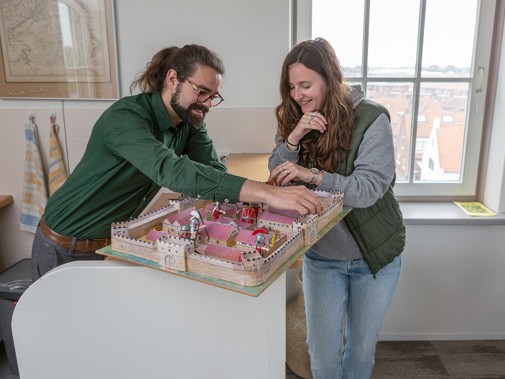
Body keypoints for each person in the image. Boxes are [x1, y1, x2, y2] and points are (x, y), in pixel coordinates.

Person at [31, 44, 321, 281]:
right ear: (173, 79)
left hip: (109, 244)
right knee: (60, 342)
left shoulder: (188, 121)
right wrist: (267, 192)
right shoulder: (125, 119)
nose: (207, 103)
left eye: (213, 96)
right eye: (202, 91)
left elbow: (212, 172)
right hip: (63, 244)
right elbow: (173, 171)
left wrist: (250, 204)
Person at [268, 38, 405, 378]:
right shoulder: (296, 117)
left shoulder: (372, 119)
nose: (297, 94)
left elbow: (367, 189)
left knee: (359, 354)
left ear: (329, 79)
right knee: (323, 357)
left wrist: (312, 175)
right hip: (323, 258)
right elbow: (275, 174)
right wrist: (294, 138)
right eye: (291, 86)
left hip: (374, 257)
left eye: (306, 85)